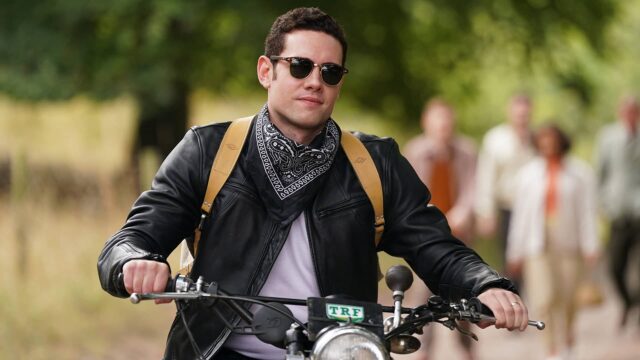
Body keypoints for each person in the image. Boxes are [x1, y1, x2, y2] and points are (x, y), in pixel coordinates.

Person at [97, 7, 529, 360]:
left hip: (342, 350)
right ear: (266, 71)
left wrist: (485, 283)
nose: (314, 81)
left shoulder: (374, 162)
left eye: (330, 72)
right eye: (300, 66)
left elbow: (434, 245)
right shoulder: (209, 150)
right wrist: (135, 261)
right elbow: (133, 237)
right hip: (218, 351)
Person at [507, 124, 600, 360]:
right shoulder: (528, 174)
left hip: (570, 243)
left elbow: (587, 211)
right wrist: (514, 251)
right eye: (543, 140)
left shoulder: (580, 173)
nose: (548, 145)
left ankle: (567, 339)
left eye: (552, 139)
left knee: (568, 298)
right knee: (543, 298)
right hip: (537, 244)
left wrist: (591, 244)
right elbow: (521, 216)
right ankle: (551, 350)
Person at [402, 98, 478, 359]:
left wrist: (462, 212)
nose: (443, 126)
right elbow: (409, 194)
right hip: (426, 240)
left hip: (459, 238)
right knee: (423, 300)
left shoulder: (467, 151)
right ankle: (423, 353)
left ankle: (467, 349)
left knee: (464, 299)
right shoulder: (414, 151)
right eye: (438, 120)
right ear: (427, 122)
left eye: (447, 120)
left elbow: (472, 189)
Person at [475, 94, 535, 286]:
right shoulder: (495, 139)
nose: (521, 118)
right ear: (510, 112)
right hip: (505, 208)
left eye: (525, 114)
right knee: (506, 260)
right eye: (518, 114)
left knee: (527, 260)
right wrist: (486, 212)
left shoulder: (535, 140)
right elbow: (486, 176)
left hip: (531, 210)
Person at [595, 95, 640, 328]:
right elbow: (600, 172)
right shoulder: (608, 137)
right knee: (615, 267)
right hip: (617, 212)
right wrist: (601, 202)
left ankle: (636, 309)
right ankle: (628, 302)